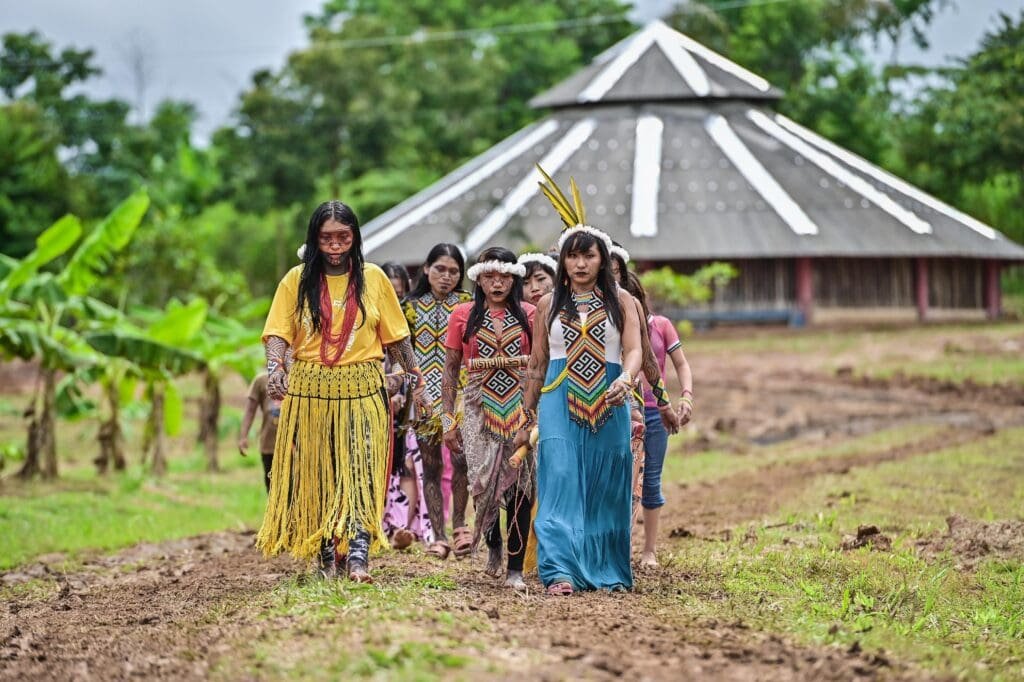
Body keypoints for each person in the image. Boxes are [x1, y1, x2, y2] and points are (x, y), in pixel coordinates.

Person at [257, 200, 428, 583]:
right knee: (318, 472)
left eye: (343, 237)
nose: (335, 246)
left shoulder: (373, 279)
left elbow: (398, 339)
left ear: (355, 238)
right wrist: (274, 367)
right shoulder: (296, 280)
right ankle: (323, 558)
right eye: (326, 238)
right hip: (310, 390)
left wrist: (417, 382)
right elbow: (279, 334)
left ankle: (358, 558)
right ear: (314, 240)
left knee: (361, 470)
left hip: (364, 387)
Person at [515, 171, 642, 595]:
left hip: (611, 396)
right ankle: (561, 571)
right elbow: (536, 363)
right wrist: (525, 412)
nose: (581, 264)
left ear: (603, 260)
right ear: (563, 262)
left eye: (589, 256)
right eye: (573, 257)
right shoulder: (548, 304)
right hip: (557, 397)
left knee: (607, 484)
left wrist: (626, 379)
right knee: (561, 477)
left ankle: (606, 569)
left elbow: (634, 351)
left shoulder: (623, 301)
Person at [442, 248, 536, 591]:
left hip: (521, 406)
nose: (497, 284)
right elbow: (451, 369)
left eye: (504, 277)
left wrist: (534, 413)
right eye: (489, 277)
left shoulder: (531, 314)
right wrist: (447, 419)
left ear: (515, 278)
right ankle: (493, 543)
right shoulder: (462, 315)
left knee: (521, 485)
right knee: (482, 485)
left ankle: (515, 568)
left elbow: (539, 367)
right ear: (478, 278)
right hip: (477, 407)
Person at [403, 244, 473, 559]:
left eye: (454, 271)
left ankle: (460, 527)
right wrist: (414, 389)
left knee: (461, 461)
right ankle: (437, 534)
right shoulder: (410, 307)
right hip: (423, 397)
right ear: (426, 269)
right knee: (431, 466)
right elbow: (402, 353)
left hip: (460, 395)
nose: (446, 277)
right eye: (440, 269)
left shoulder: (469, 305)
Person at [625, 271, 694, 567]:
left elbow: (681, 363)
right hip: (619, 410)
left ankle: (649, 550)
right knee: (620, 481)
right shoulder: (610, 330)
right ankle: (620, 546)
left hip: (654, 412)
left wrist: (686, 396)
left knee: (650, 480)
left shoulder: (661, 326)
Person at [379, 261, 434, 549]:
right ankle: (379, 525)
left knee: (408, 463)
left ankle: (403, 525)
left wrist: (405, 389)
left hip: (406, 407)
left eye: (398, 295)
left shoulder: (410, 321)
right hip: (372, 405)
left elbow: (409, 358)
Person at [238, 372, 280, 492]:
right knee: (272, 487)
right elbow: (250, 410)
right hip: (269, 446)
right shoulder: (261, 380)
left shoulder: (298, 377)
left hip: (293, 446)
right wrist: (243, 437)